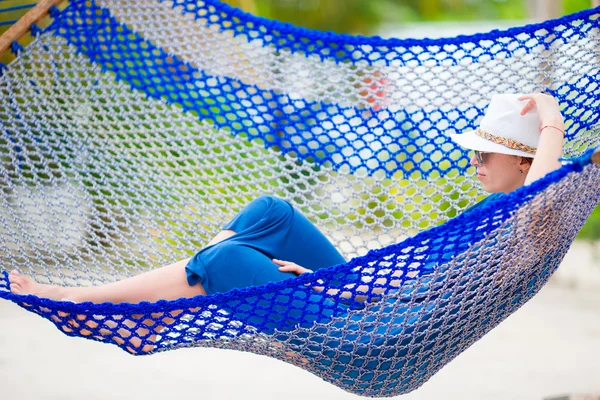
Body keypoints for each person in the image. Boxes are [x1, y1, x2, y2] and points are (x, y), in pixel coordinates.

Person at [7, 92, 565, 305]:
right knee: (272, 212)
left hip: (378, 332)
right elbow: (416, 281)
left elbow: (427, 306)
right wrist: (335, 283)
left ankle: (94, 298)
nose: (475, 162)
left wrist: (549, 115)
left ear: (524, 162)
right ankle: (187, 288)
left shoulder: (525, 218)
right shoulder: (491, 211)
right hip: (368, 296)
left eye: (485, 154)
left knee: (226, 259)